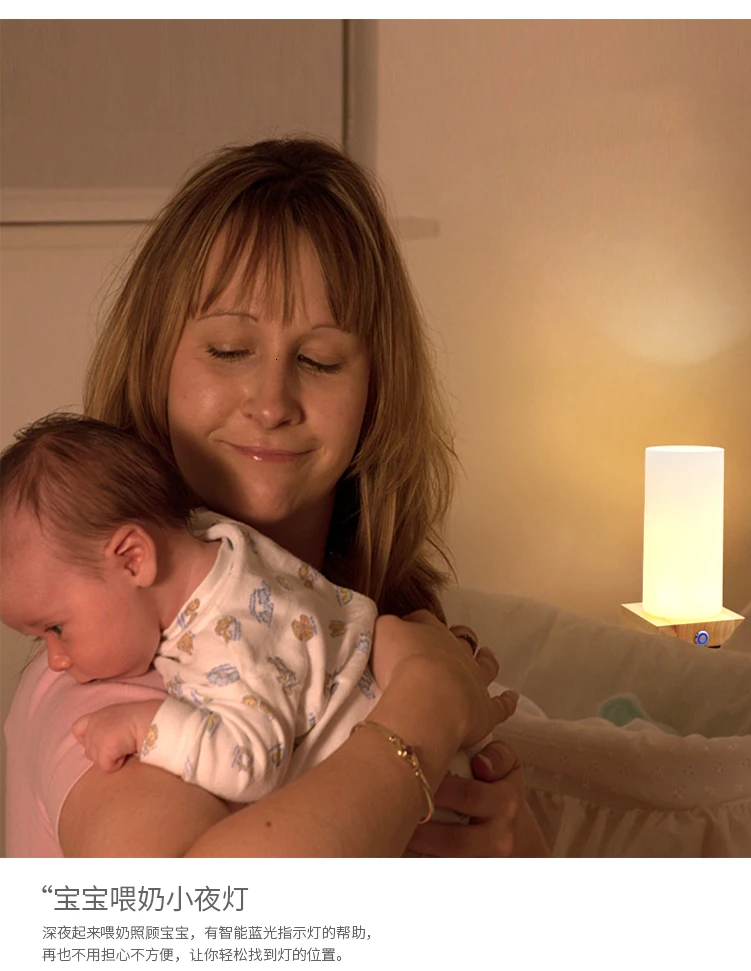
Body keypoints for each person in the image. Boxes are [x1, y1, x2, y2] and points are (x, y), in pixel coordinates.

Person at [4, 136, 549, 857]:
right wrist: (421, 719)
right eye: (229, 350)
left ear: (374, 391)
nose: (270, 402)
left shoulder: (374, 638)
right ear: (154, 362)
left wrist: (509, 840)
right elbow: (187, 917)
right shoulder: (103, 671)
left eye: (319, 360)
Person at [1, 413, 473, 819]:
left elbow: (249, 764)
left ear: (133, 559)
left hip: (416, 811)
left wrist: (146, 726)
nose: (56, 659)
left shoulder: (230, 637)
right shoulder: (217, 539)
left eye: (55, 628)